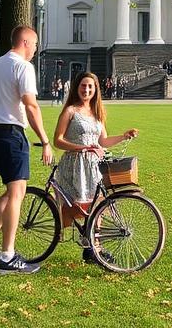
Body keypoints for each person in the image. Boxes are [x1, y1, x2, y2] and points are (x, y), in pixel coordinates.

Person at [0, 25, 54, 275]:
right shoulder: (23, 67)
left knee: (11, 191)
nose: (36, 49)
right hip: (11, 135)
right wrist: (45, 140)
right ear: (26, 42)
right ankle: (8, 256)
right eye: (36, 44)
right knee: (18, 193)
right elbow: (31, 105)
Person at [53, 71, 137, 264]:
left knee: (98, 204)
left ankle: (94, 248)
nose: (87, 90)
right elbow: (58, 141)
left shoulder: (97, 113)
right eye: (83, 86)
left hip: (94, 166)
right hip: (75, 164)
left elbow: (104, 141)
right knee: (77, 208)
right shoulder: (70, 111)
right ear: (77, 87)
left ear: (96, 89)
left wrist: (124, 136)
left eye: (90, 87)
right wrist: (82, 148)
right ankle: (81, 240)